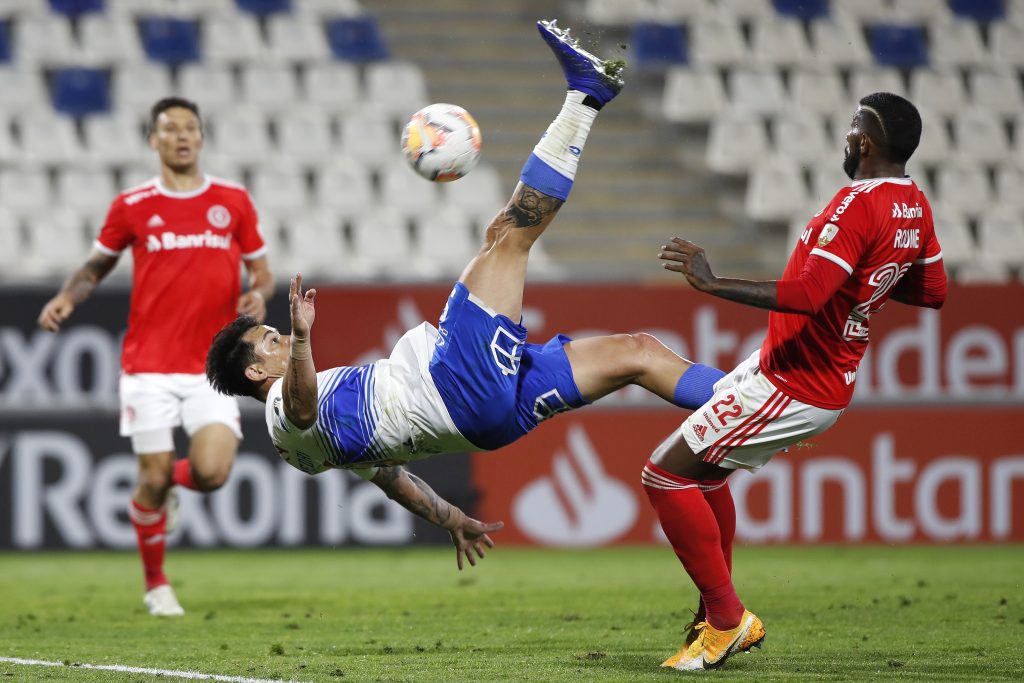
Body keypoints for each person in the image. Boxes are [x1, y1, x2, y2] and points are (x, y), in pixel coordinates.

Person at [206, 20, 727, 571]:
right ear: (257, 374)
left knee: (637, 353)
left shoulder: (304, 454)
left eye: (277, 331)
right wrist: (305, 338)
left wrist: (450, 518)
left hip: (485, 426)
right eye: (269, 340)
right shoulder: (284, 416)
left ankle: (750, 409)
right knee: (509, 239)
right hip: (454, 386)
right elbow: (304, 405)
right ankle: (585, 96)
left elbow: (390, 478)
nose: (281, 335)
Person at [647, 92, 948, 671]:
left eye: (853, 128)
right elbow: (932, 291)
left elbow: (809, 296)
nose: (847, 136)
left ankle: (728, 619)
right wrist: (867, 288)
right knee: (705, 477)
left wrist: (712, 284)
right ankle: (717, 618)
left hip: (796, 381)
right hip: (800, 369)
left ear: (865, 143)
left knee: (662, 474)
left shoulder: (856, 203)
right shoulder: (915, 205)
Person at [37, 97, 275, 617]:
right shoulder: (133, 204)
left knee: (212, 473)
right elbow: (94, 268)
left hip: (212, 368)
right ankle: (157, 585)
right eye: (171, 129)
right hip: (148, 365)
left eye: (191, 127)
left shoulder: (232, 201)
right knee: (153, 473)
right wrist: (66, 297)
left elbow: (262, 272)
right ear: (154, 140)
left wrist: (257, 293)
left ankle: (163, 489)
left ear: (202, 138)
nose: (182, 136)